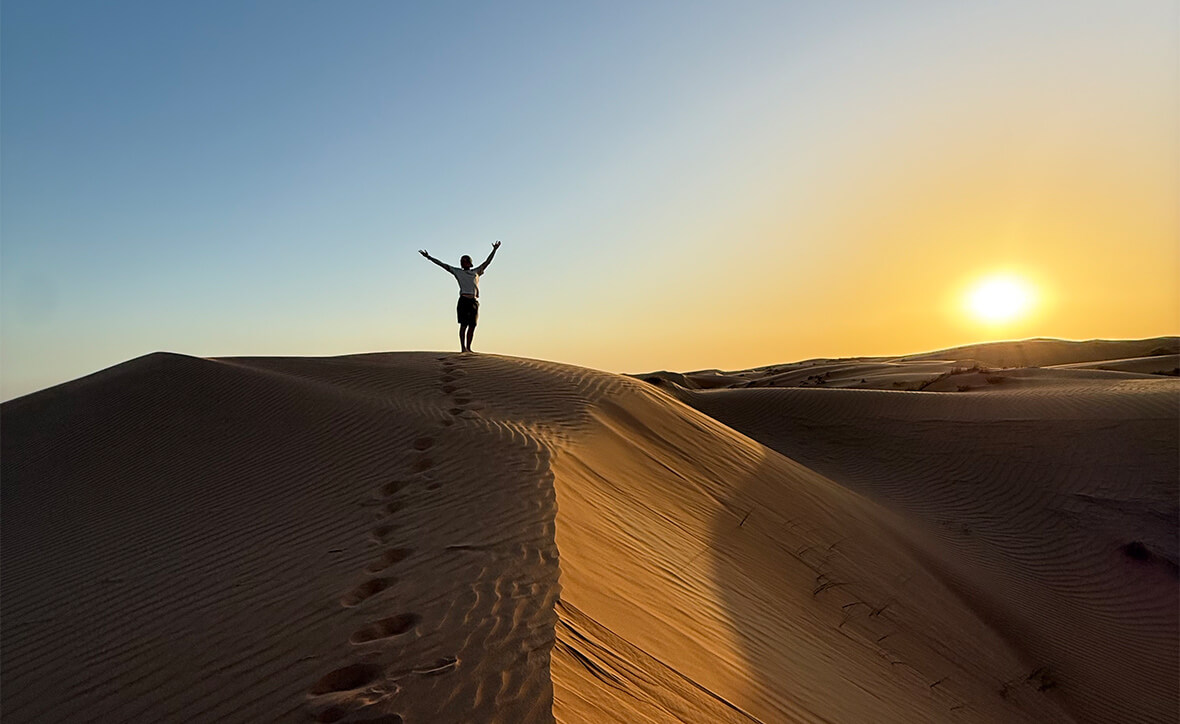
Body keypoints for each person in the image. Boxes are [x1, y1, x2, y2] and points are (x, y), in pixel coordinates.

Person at [419, 241, 501, 353]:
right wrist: (429, 257)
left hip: (474, 301)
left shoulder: (476, 272)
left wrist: (494, 250)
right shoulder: (457, 272)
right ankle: (463, 348)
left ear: (469, 263)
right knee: (463, 325)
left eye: (465, 261)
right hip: (463, 300)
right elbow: (443, 265)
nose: (463, 263)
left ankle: (469, 347)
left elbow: (487, 262)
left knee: (472, 325)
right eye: (462, 262)